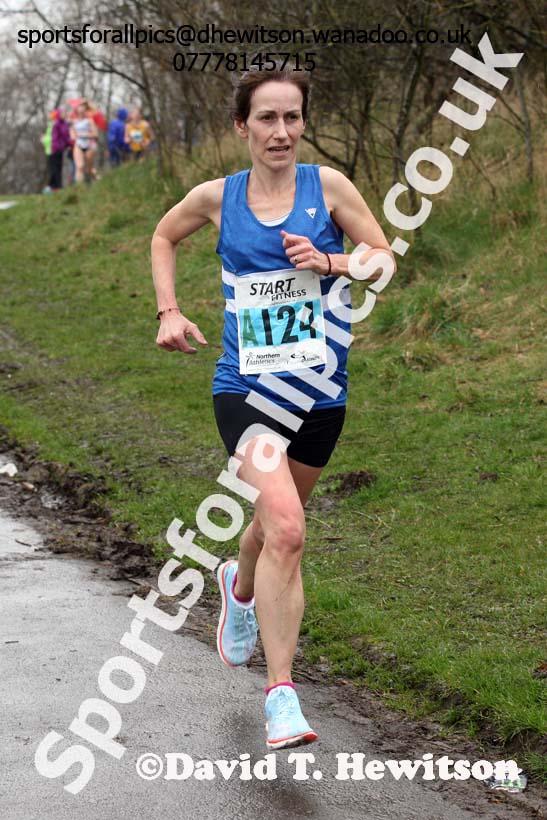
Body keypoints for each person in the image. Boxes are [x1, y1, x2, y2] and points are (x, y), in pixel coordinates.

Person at [150, 64, 396, 750]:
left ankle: (237, 580)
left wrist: (334, 263)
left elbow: (383, 258)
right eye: (267, 118)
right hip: (246, 391)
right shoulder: (214, 197)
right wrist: (169, 309)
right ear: (241, 127)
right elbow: (163, 236)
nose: (281, 131)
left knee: (272, 526)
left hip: (319, 393)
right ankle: (282, 696)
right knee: (286, 527)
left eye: (292, 118)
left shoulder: (330, 189)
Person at [70, 100, 99, 184]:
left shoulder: (89, 121)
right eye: (80, 106)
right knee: (79, 166)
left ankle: (97, 179)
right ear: (77, 109)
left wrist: (84, 135)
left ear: (86, 109)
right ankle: (79, 188)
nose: (81, 108)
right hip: (79, 145)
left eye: (83, 107)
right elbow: (72, 135)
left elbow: (95, 134)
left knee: (88, 168)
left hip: (90, 145)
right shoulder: (73, 121)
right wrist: (72, 134)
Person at [49, 107, 71, 190]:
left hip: (62, 148)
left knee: (59, 167)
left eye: (65, 113)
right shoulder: (57, 124)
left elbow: (66, 135)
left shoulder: (65, 123)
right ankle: (57, 186)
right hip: (56, 148)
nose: (64, 114)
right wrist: (69, 142)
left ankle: (55, 186)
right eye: (62, 113)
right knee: (56, 168)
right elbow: (60, 136)